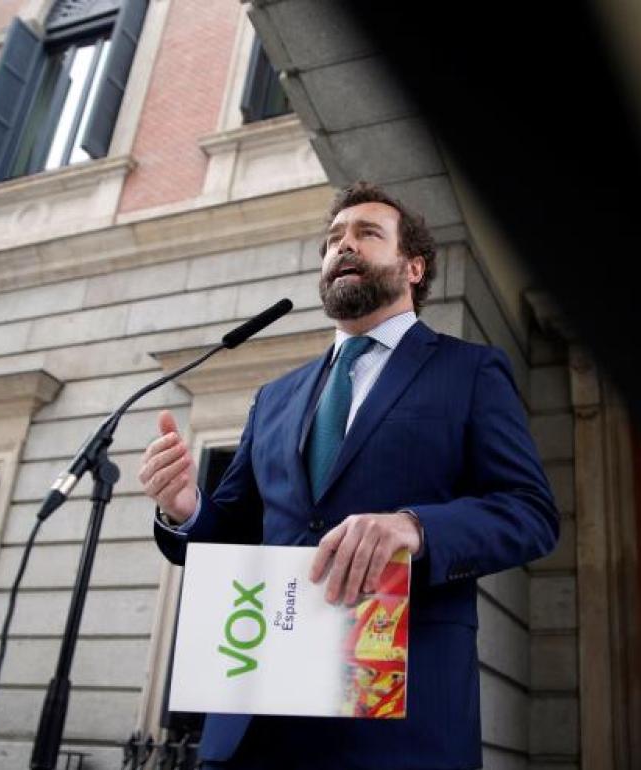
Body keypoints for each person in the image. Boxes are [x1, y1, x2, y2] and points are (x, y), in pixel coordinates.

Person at [138, 181, 558, 769]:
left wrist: (416, 528)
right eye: (334, 238)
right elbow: (232, 533)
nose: (344, 245)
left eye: (367, 233)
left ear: (413, 267)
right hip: (257, 720)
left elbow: (531, 513)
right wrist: (185, 509)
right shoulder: (274, 397)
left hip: (397, 725)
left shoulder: (470, 371)